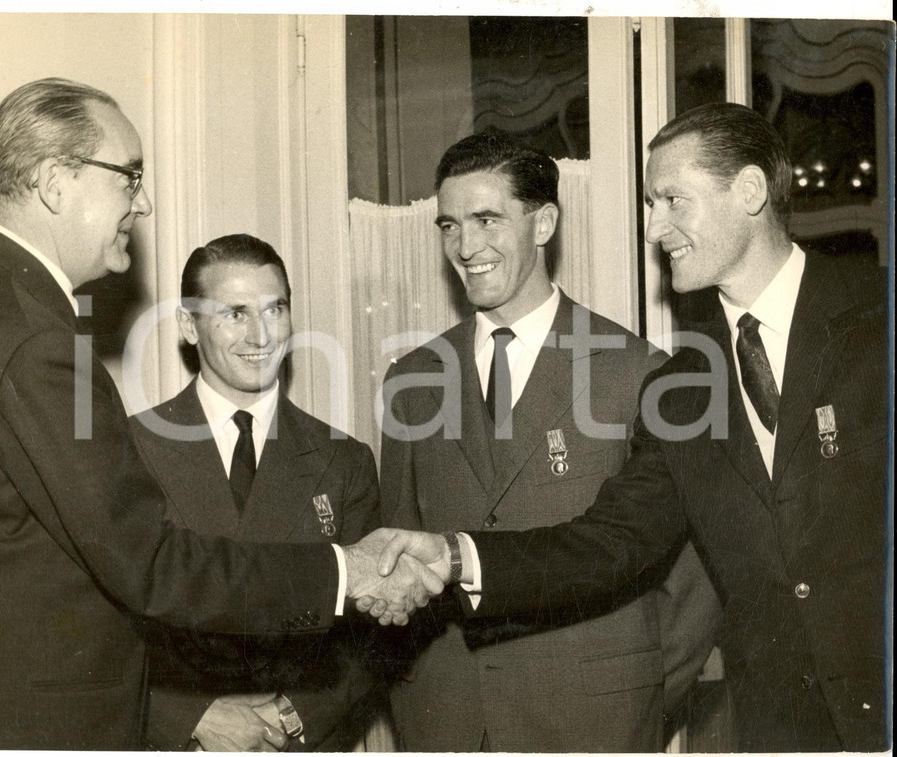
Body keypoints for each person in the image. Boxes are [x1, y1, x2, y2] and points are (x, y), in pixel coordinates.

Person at [0, 77, 437, 750]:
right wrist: (347, 571)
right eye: (129, 176)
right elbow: (152, 563)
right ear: (53, 182)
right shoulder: (36, 338)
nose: (143, 202)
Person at [374, 103, 890, 752]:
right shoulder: (686, 385)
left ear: (750, 191)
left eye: (672, 200)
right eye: (650, 203)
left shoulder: (879, 315)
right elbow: (610, 542)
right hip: (780, 731)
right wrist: (456, 556)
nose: (653, 227)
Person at [377, 133, 721, 751]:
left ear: (543, 223)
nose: (465, 247)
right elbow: (396, 560)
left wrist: (633, 702)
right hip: (444, 723)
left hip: (593, 726)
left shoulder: (639, 372)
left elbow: (694, 589)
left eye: (487, 220)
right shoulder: (412, 381)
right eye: (450, 225)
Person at [130, 235, 385, 751]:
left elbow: (373, 631)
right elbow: (101, 622)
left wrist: (290, 715)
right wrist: (192, 717)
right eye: (236, 314)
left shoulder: (344, 461)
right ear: (189, 326)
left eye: (275, 309)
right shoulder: (132, 448)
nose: (261, 335)